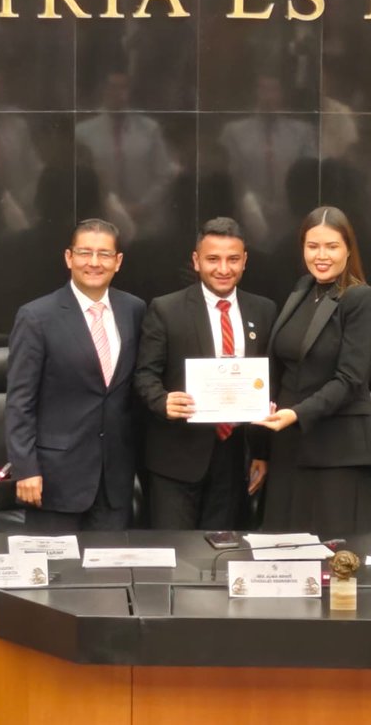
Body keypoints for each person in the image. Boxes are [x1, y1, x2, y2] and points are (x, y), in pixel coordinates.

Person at [134, 217, 277, 530]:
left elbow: (269, 383)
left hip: (234, 458)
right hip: (176, 459)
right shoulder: (166, 309)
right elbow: (145, 374)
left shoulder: (264, 311)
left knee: (222, 557)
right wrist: (162, 401)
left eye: (233, 259)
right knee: (176, 557)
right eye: (213, 259)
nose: (223, 269)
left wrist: (262, 452)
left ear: (245, 262)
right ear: (196, 261)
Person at [6, 219, 146, 532]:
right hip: (55, 480)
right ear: (69, 258)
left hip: (115, 481)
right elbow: (20, 401)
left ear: (118, 262)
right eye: (85, 253)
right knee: (56, 576)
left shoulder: (134, 310)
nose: (94, 263)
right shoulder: (36, 316)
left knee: (110, 576)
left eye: (104, 254)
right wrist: (25, 469)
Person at [254, 206, 371, 535]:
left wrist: (296, 414)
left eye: (331, 246)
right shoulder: (302, 289)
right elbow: (282, 366)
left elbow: (350, 380)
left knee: (330, 564)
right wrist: (262, 445)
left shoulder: (361, 299)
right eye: (313, 246)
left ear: (348, 249)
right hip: (288, 448)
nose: (321, 256)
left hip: (335, 453)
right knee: (282, 557)